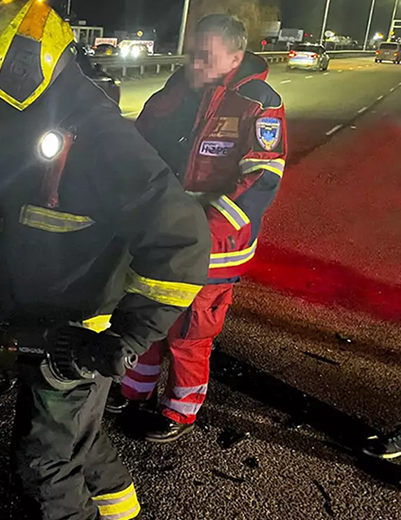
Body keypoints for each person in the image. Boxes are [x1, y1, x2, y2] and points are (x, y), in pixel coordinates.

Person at [0, 1, 211, 518]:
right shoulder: (45, 116)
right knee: (83, 444)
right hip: (53, 328)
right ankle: (122, 512)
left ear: (26, 68)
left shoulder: (99, 137)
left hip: (72, 338)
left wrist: (127, 338)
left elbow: (183, 237)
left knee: (43, 467)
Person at [107, 14, 287, 444]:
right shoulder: (172, 94)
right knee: (143, 318)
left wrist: (199, 230)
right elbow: (137, 153)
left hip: (212, 248)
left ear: (235, 57)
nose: (194, 65)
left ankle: (180, 411)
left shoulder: (259, 104)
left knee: (189, 333)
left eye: (205, 57)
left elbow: (260, 181)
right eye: (191, 55)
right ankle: (135, 391)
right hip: (158, 239)